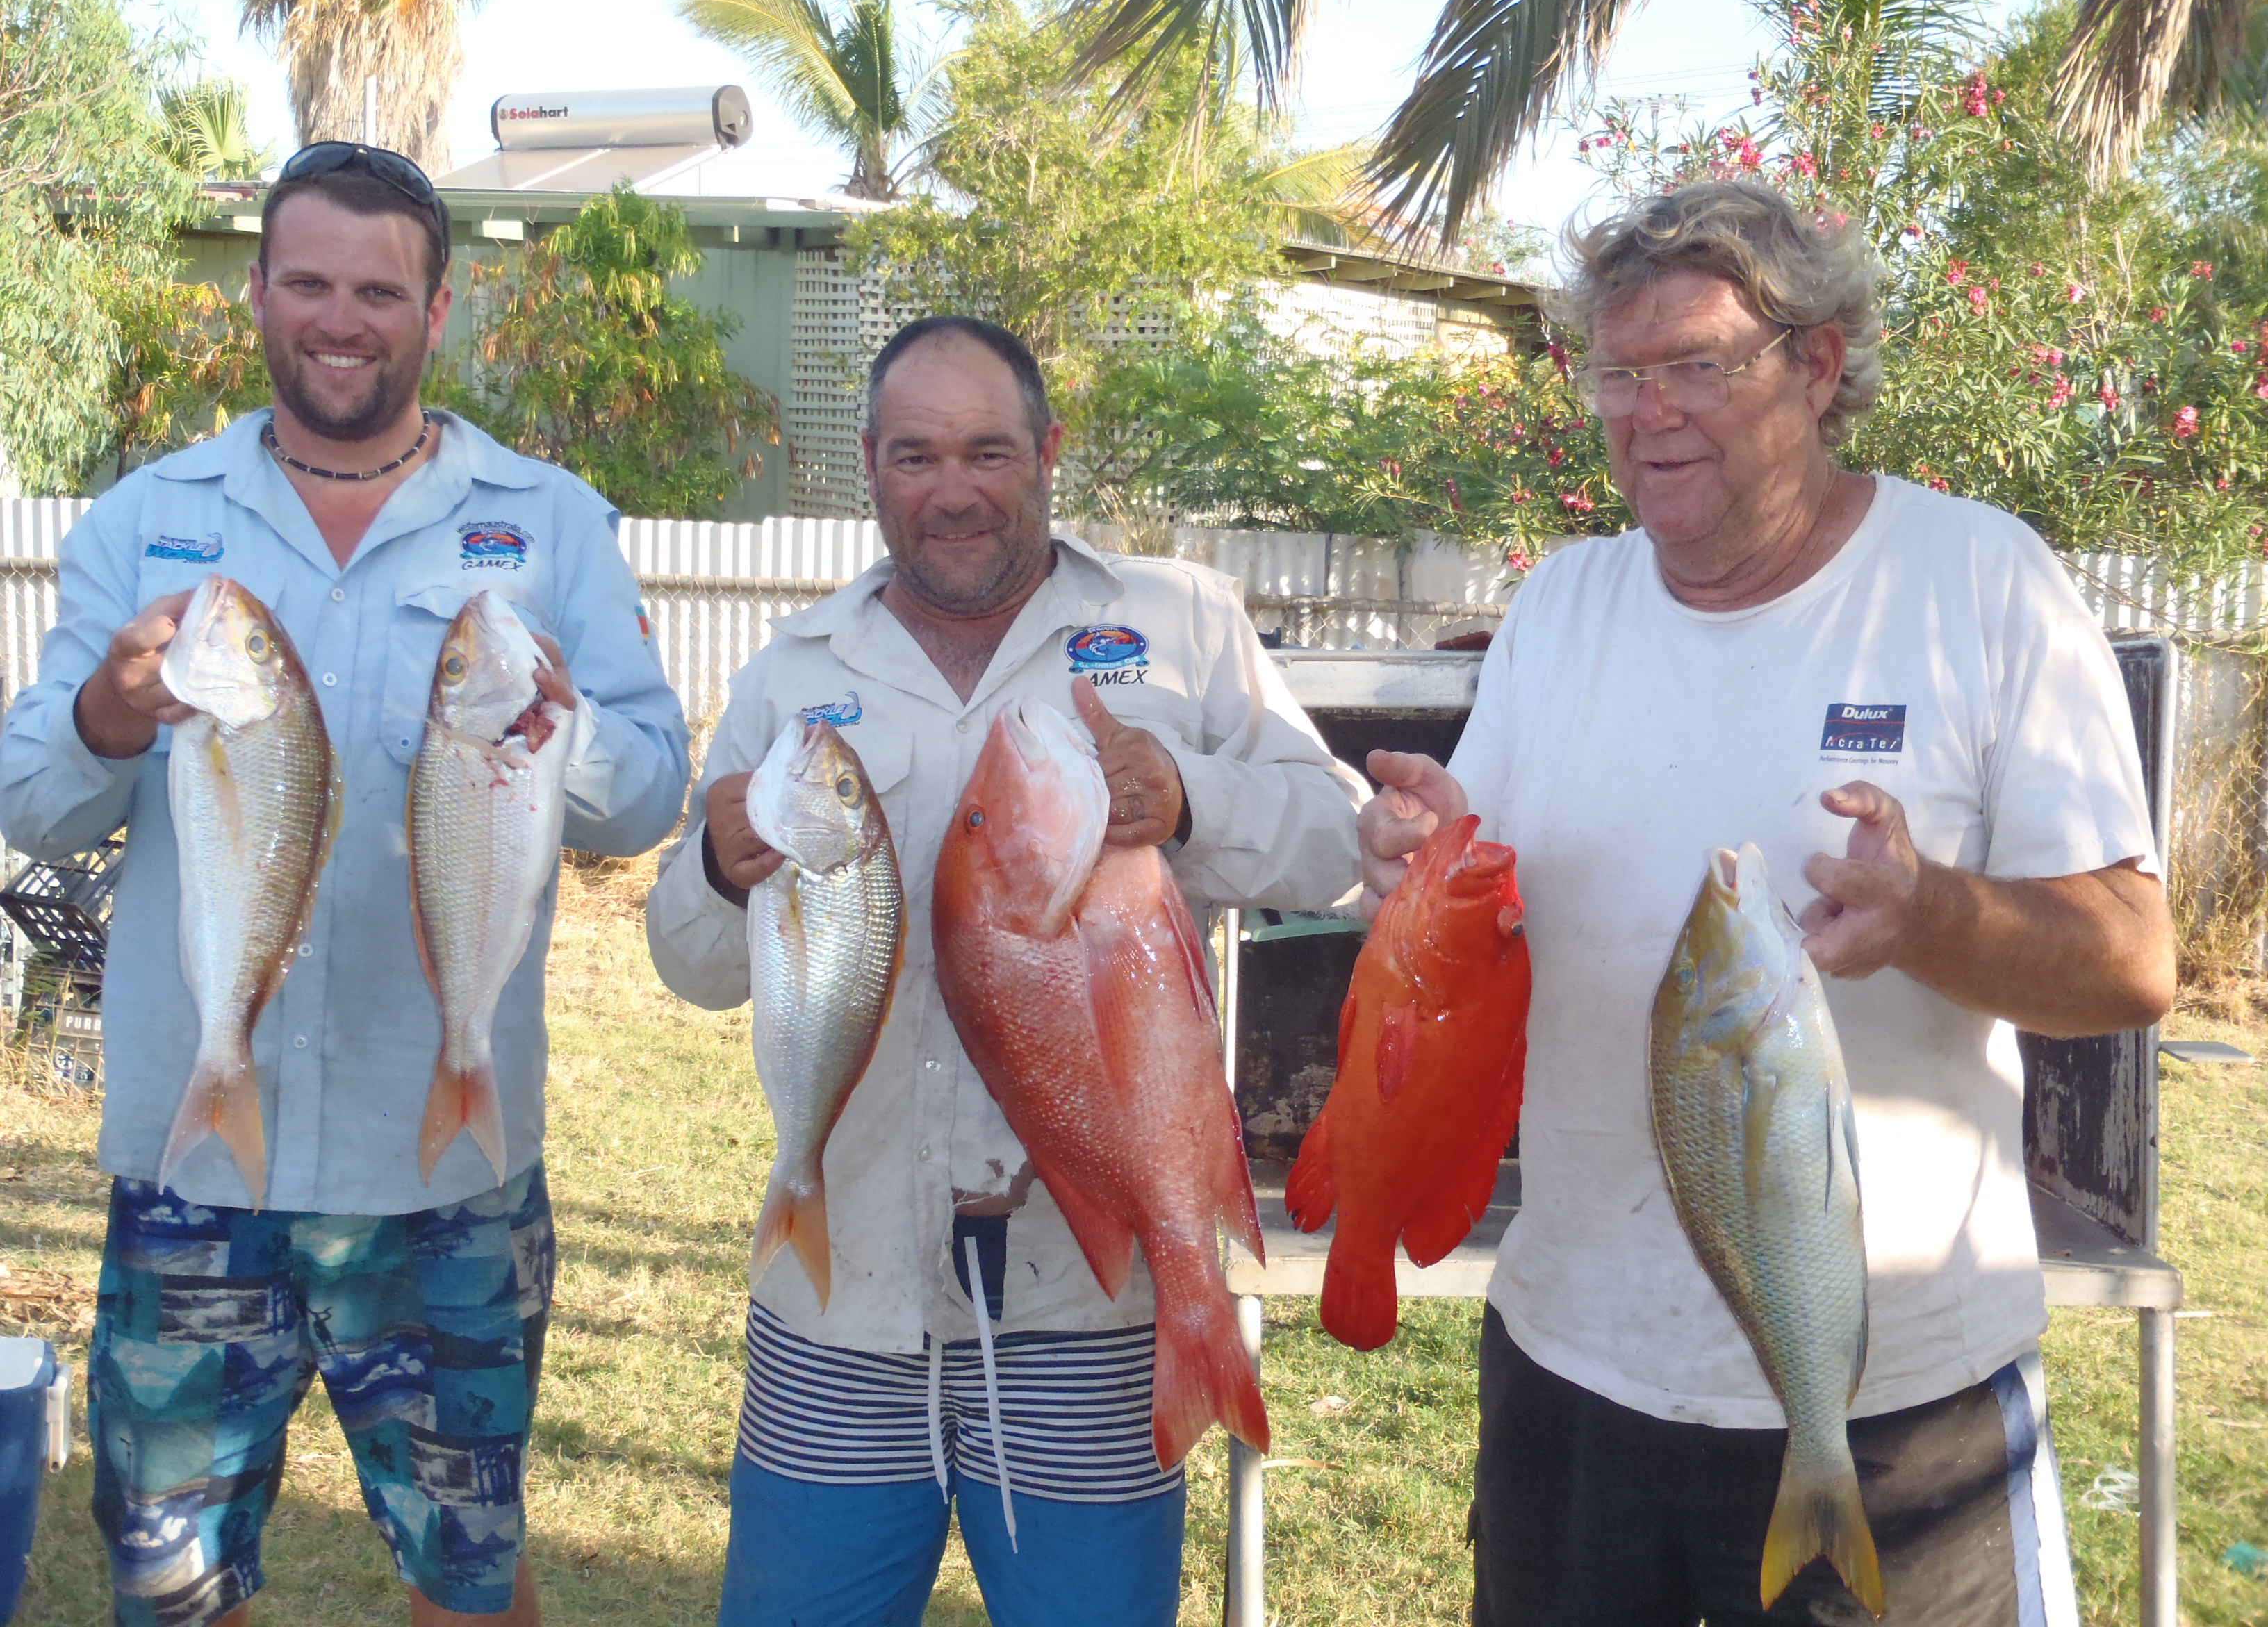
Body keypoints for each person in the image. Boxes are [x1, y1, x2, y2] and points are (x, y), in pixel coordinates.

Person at [1358, 180, 2177, 1627]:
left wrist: (1933, 917)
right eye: (1619, 373)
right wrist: (1419, 856)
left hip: (1895, 1400)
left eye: (1696, 363)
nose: (1646, 411)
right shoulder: (1563, 606)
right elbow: (1483, 891)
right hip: (1574, 1365)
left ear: (1816, 364)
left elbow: (2133, 960)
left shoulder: (1979, 582)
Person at [0, 143, 691, 1627]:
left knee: (469, 1572)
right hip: (195, 1165)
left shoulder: (551, 520)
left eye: (380, 292)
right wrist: (108, 716)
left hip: (443, 1171)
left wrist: (553, 736)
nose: (340, 319)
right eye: (307, 282)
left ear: (437, 310)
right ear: (258, 291)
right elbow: (32, 805)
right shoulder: (143, 519)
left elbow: (649, 791)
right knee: (173, 1587)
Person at [644, 315, 1363, 1627]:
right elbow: (691, 969)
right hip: (842, 1303)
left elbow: (1342, 844)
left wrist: (1191, 798)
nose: (953, 490)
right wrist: (715, 867)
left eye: (988, 451)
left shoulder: (1180, 621)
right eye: (915, 456)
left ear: (1048, 451)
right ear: (870, 463)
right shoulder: (794, 671)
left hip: (1090, 1310)